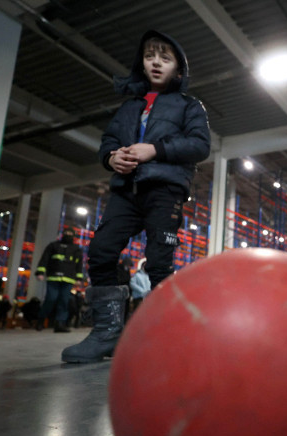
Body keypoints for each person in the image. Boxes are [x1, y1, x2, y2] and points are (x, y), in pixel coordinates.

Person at [62, 30, 210, 363]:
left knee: (159, 263)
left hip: (165, 190)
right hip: (126, 190)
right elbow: (107, 143)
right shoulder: (129, 107)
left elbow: (200, 145)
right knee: (100, 251)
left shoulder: (189, 106)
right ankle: (107, 334)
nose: (156, 62)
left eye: (165, 57)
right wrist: (111, 158)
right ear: (141, 63)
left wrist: (154, 149)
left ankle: (166, 335)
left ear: (179, 69)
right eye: (150, 56)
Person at [34, 227, 84, 333]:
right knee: (51, 298)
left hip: (68, 279)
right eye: (66, 233)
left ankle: (60, 324)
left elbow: (79, 265)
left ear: (74, 236)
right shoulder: (53, 246)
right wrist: (40, 272)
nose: (68, 234)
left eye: (70, 233)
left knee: (64, 301)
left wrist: (79, 278)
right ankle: (41, 320)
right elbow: (44, 259)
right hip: (53, 277)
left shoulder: (76, 249)